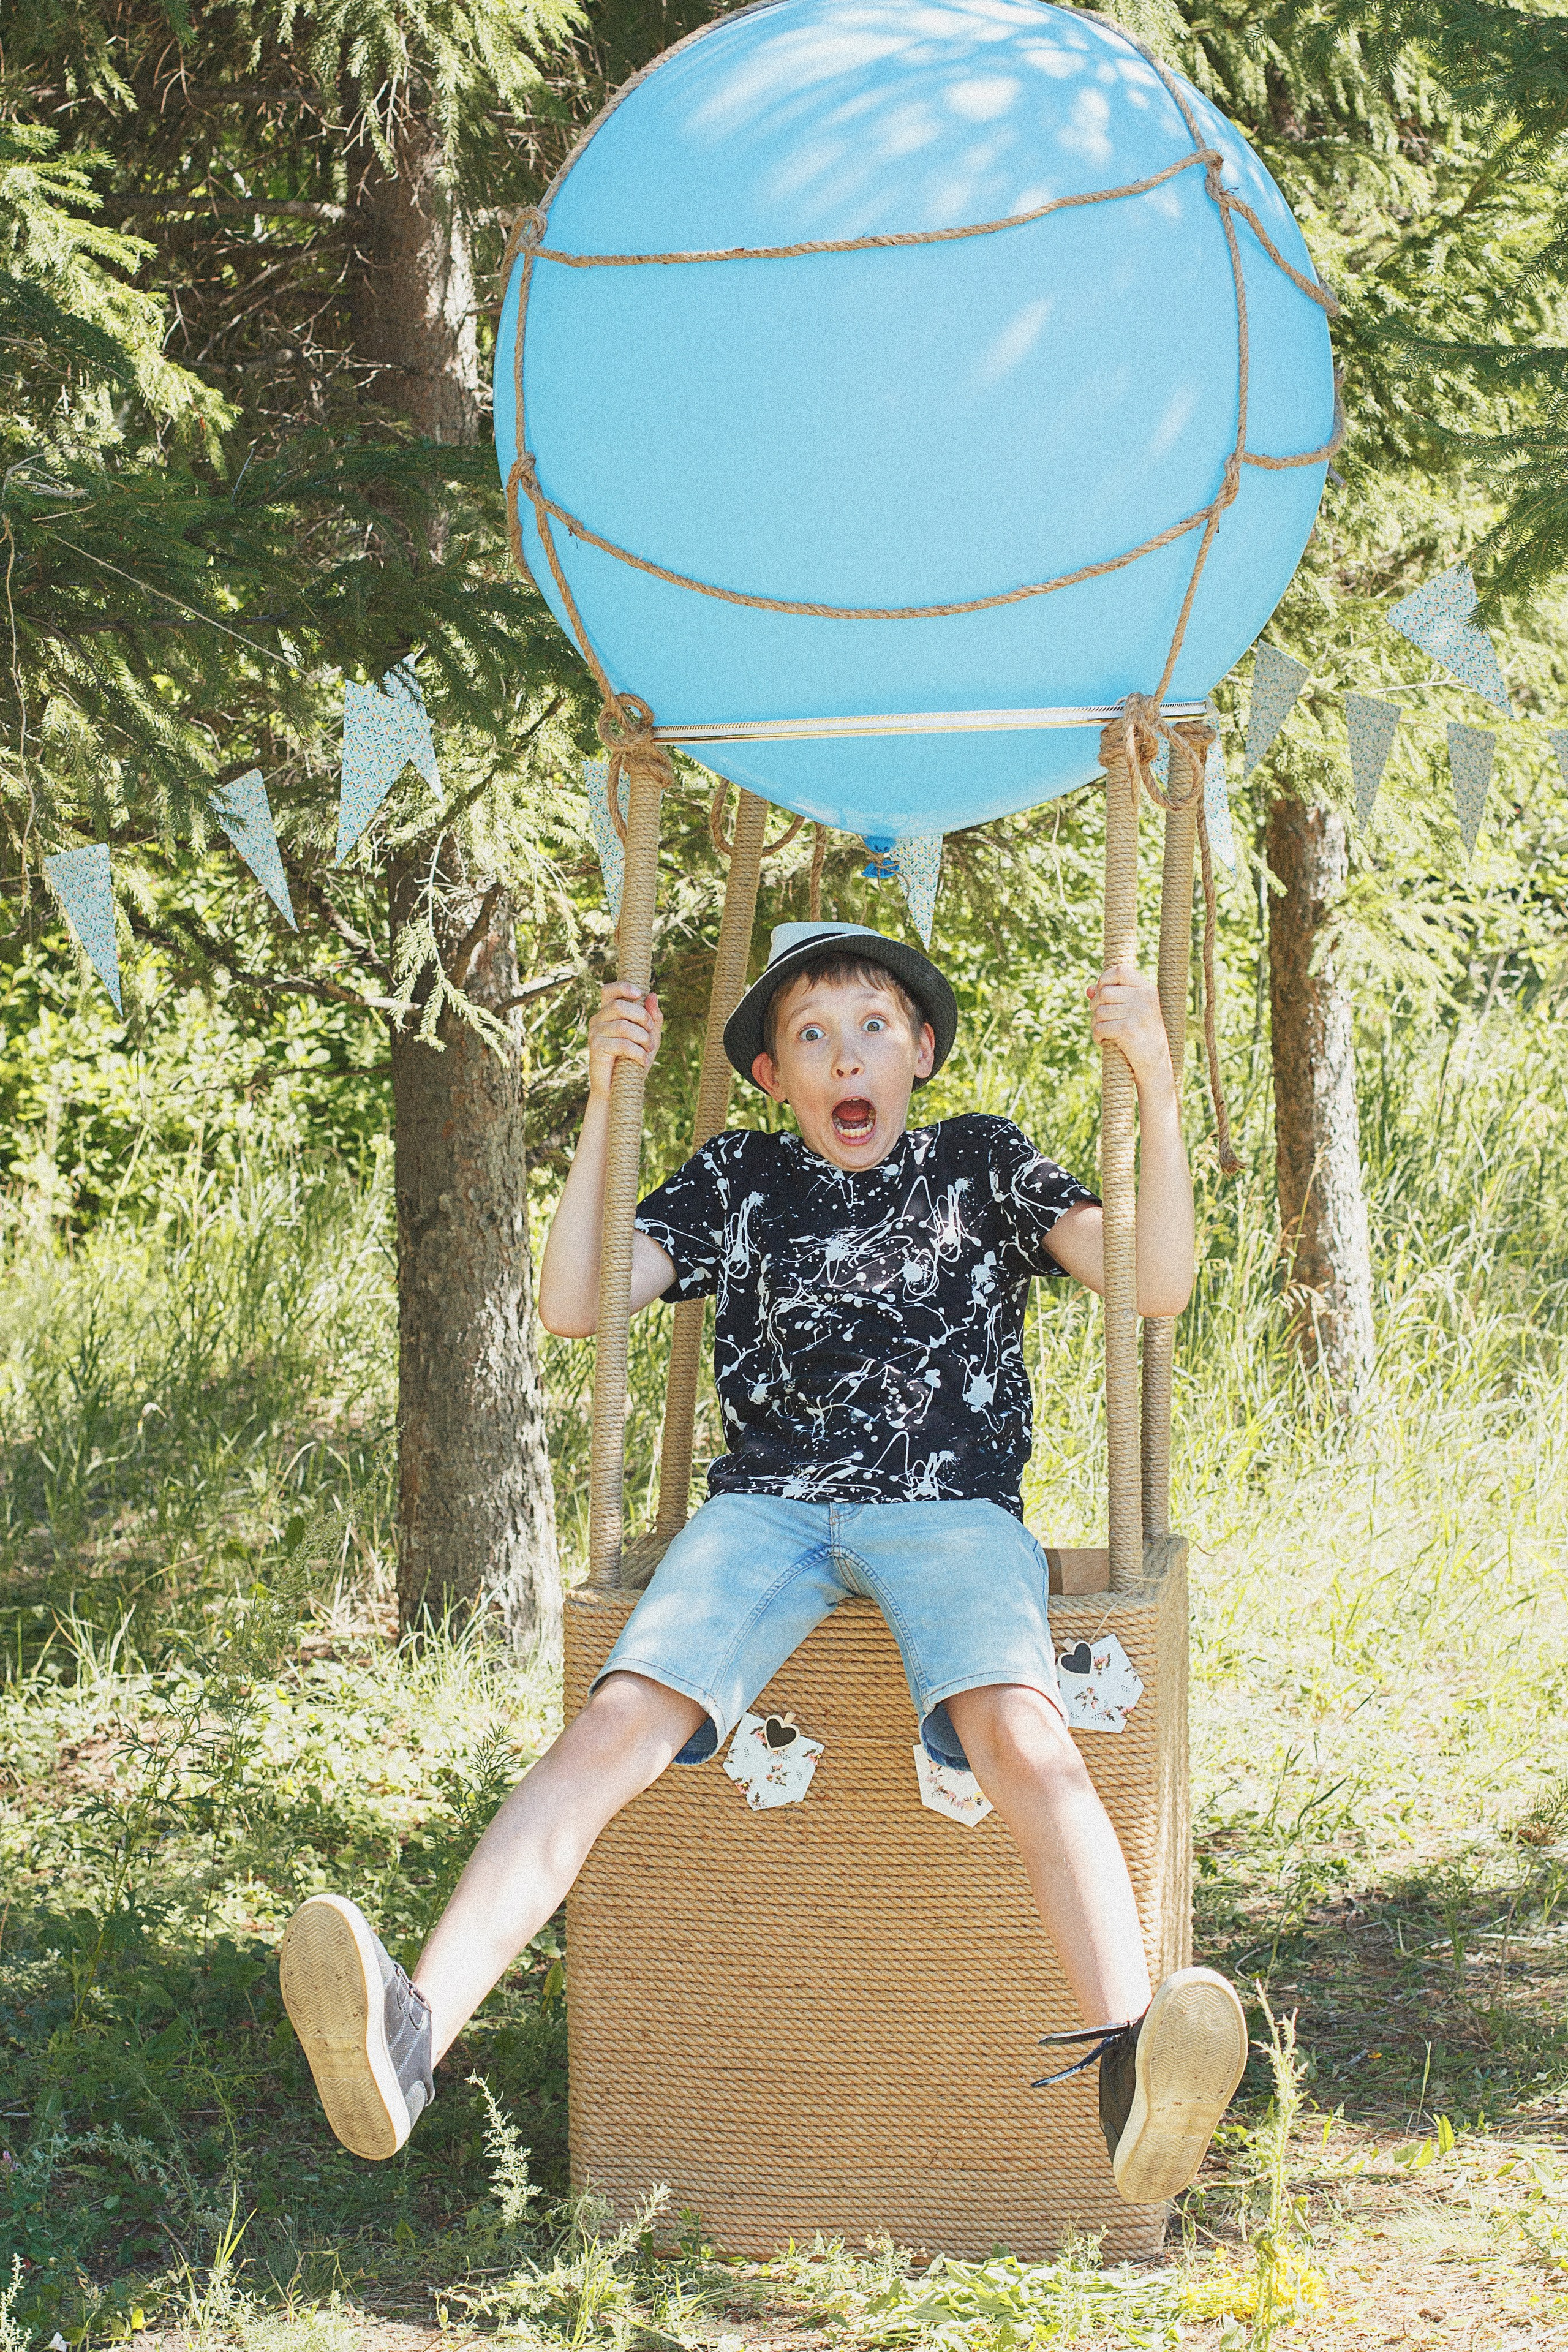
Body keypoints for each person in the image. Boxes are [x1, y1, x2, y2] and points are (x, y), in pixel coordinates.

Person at [279, 921, 1248, 2205]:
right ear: (770, 1077)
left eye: (870, 1027)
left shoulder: (981, 1161)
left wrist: (1155, 1087)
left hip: (948, 1507)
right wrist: (605, 1107)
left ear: (920, 1052)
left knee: (1025, 1735)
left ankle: (1134, 2071)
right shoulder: (735, 1182)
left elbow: (1157, 1281)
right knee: (614, 1723)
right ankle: (410, 2037)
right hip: (765, 1512)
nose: (843, 1054)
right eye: (809, 1036)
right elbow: (575, 1302)